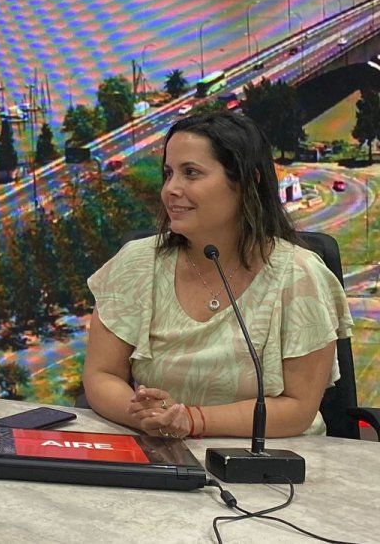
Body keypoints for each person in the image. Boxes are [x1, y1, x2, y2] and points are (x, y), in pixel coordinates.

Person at [83, 111, 352, 439]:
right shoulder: (136, 263)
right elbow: (102, 374)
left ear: (248, 182)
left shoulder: (300, 274)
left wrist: (191, 421)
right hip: (162, 453)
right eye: (168, 174)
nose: (171, 189)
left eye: (191, 173)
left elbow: (297, 408)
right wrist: (149, 417)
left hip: (276, 464)